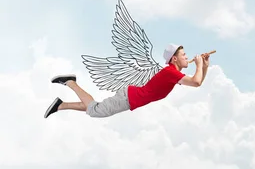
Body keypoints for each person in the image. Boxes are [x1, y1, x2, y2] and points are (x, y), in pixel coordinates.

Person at [43, 44, 210, 119]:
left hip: (129, 97)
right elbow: (195, 82)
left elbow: (198, 82)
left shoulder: (173, 74)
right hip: (128, 98)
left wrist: (205, 66)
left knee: (96, 107)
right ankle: (71, 82)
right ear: (174, 59)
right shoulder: (170, 72)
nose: (187, 57)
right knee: (95, 111)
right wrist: (199, 64)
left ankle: (60, 105)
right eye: (183, 55)